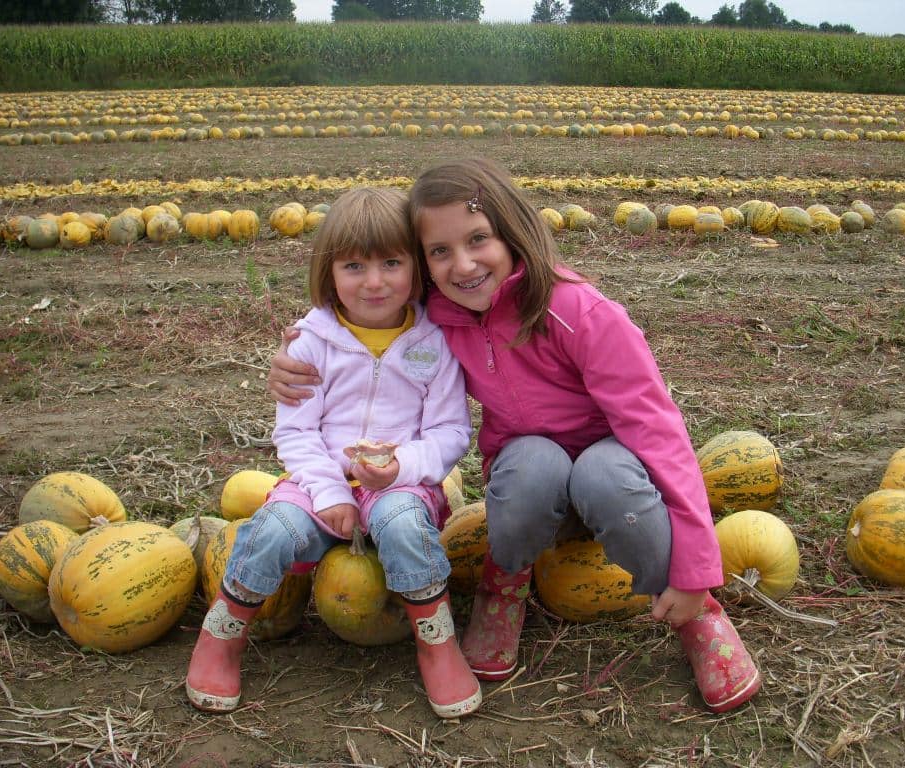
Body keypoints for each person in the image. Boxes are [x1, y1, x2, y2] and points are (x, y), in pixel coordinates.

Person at [267, 158, 761, 713]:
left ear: (512, 231)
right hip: (529, 483)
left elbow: (658, 433)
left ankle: (697, 613)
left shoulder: (580, 312)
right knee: (530, 464)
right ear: (424, 264)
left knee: (604, 475)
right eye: (440, 251)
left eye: (479, 239)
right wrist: (293, 360)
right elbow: (360, 316)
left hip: (614, 474)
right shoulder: (441, 314)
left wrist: (696, 569)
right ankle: (504, 586)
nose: (464, 264)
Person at [186, 186, 481, 719]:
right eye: (354, 266)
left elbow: (449, 431)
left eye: (391, 263)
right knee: (273, 529)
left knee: (404, 525)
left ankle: (437, 644)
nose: (374, 282)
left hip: (400, 484)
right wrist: (327, 492)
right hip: (319, 480)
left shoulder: (436, 342)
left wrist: (402, 468)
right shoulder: (311, 342)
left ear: (416, 268)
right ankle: (222, 633)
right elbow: (296, 433)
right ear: (329, 272)